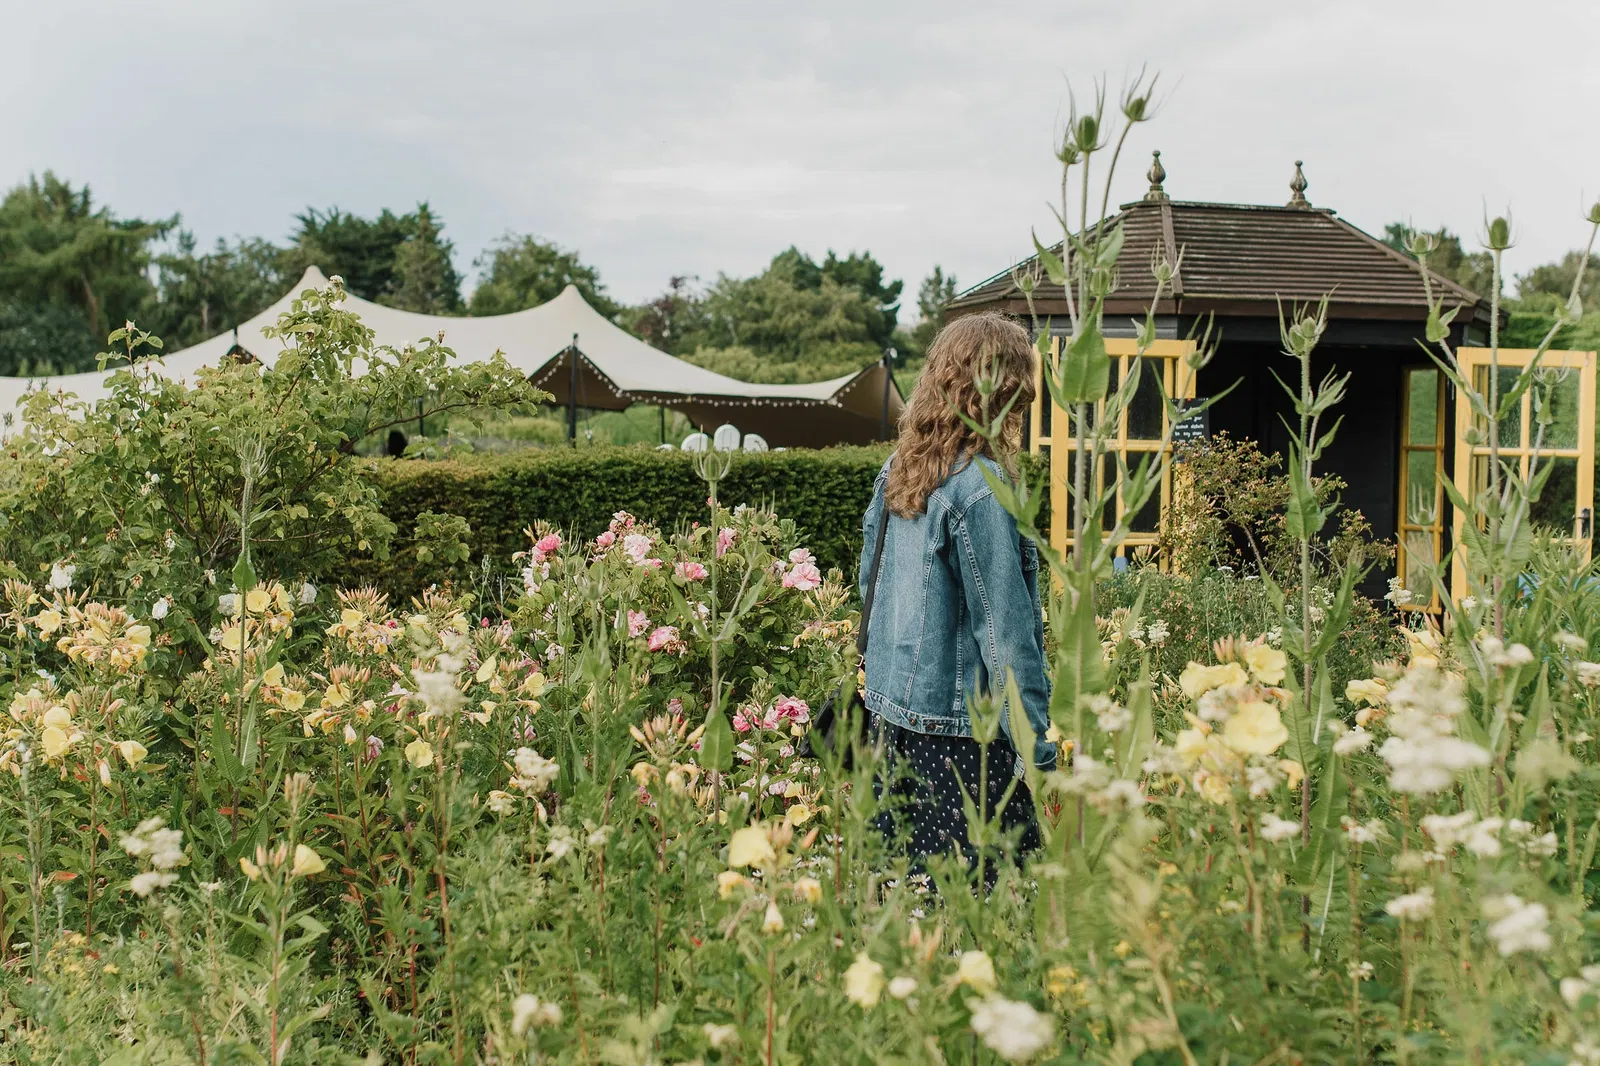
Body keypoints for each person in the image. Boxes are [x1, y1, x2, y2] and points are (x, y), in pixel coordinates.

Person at [860, 311, 1054, 882]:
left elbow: (867, 583)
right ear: (1002, 392)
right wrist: (1035, 745)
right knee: (983, 917)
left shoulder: (898, 470)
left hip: (888, 721)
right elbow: (1006, 635)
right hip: (961, 741)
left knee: (903, 912)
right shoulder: (982, 491)